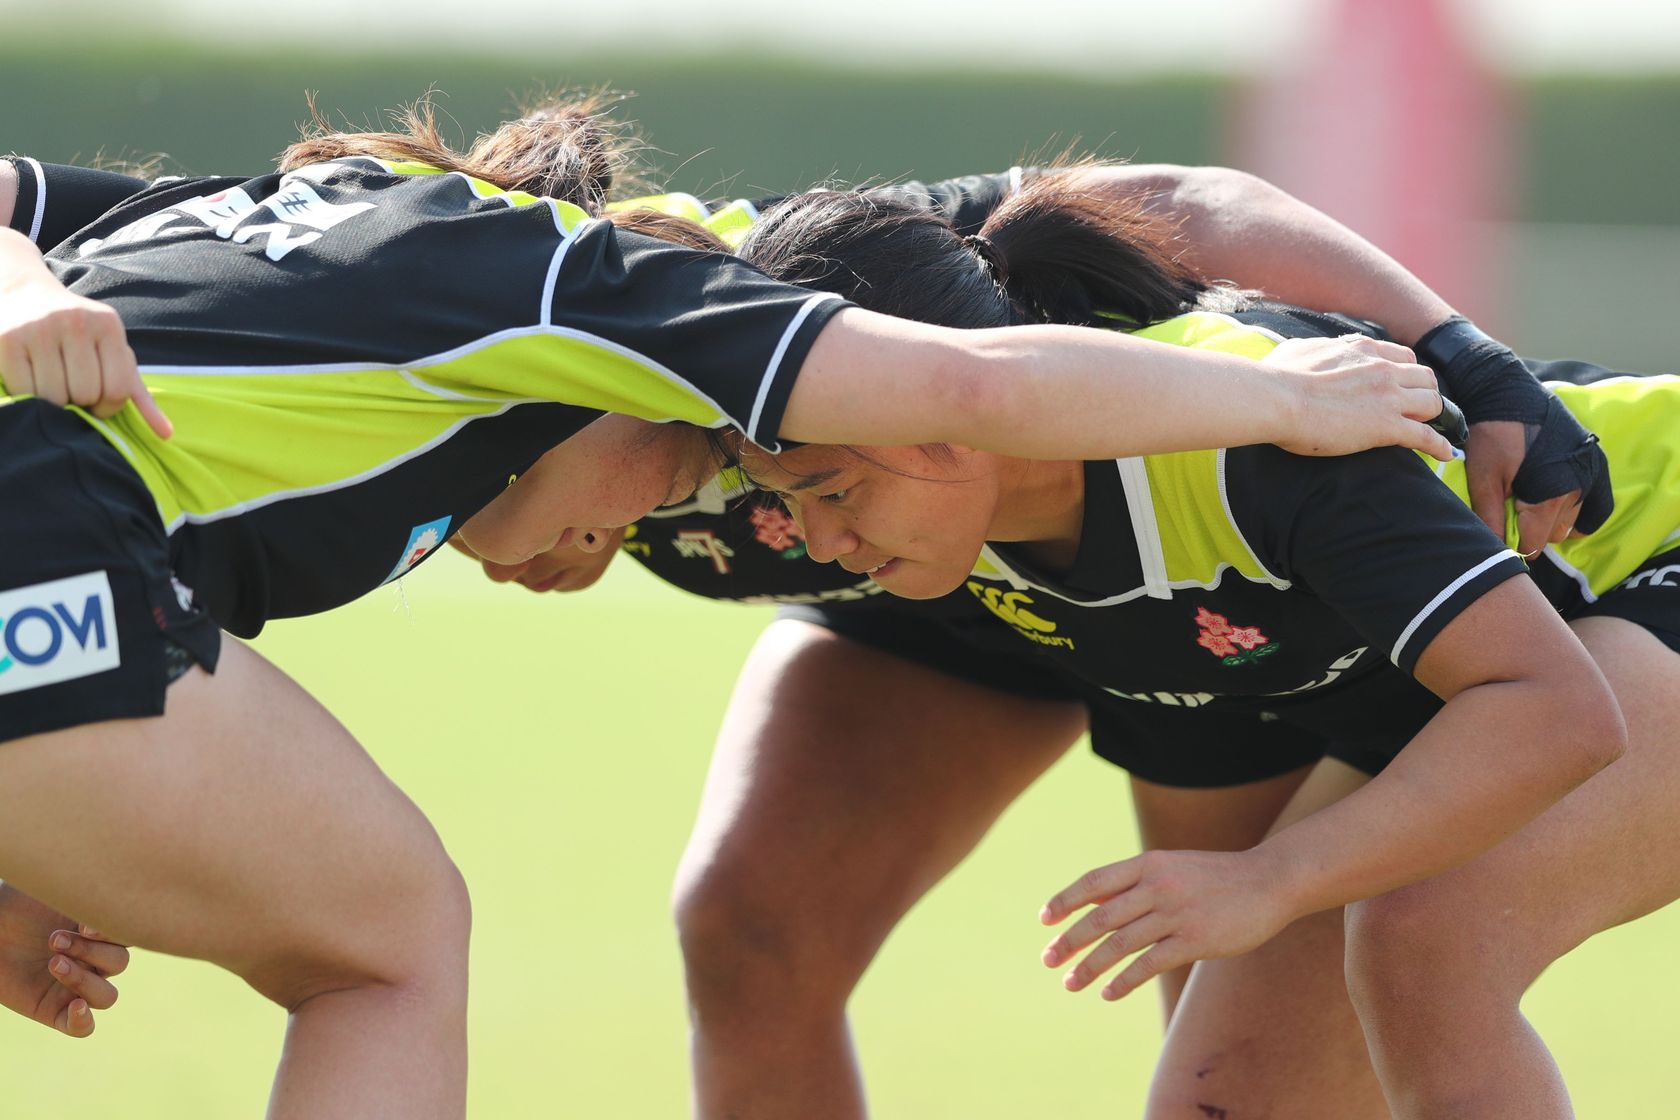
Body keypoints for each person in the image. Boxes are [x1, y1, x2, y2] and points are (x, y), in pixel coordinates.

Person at [0, 98, 1454, 1116]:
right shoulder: (588, 291)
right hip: (49, 529)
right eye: (697, 457)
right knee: (385, 951)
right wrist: (1282, 400)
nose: (650, 512)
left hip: (62, 558)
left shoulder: (299, 213)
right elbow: (969, 386)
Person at [727, 177, 1678, 1120]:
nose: (817, 544)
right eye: (787, 498)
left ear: (955, 409)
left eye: (834, 492)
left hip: (1633, 572)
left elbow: (1554, 712)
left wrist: (1271, 877)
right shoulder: (957, 518)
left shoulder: (1259, 434)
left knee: (1427, 936)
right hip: (1471, 680)